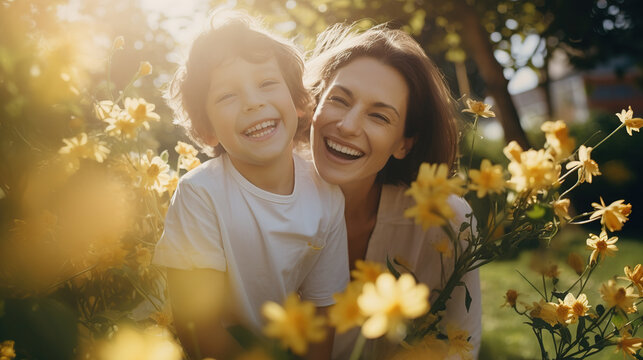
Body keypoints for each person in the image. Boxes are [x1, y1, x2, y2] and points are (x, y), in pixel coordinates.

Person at [153, 12, 349, 359]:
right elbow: (198, 324)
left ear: (299, 102)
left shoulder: (327, 197)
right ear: (207, 131)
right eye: (227, 96)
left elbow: (324, 313)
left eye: (267, 83)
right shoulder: (201, 193)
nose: (253, 102)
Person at [304, 24, 482, 359]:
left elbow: (459, 346)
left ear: (404, 143)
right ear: (315, 103)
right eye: (339, 100)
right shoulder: (255, 200)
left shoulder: (447, 221)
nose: (348, 125)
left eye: (379, 116)